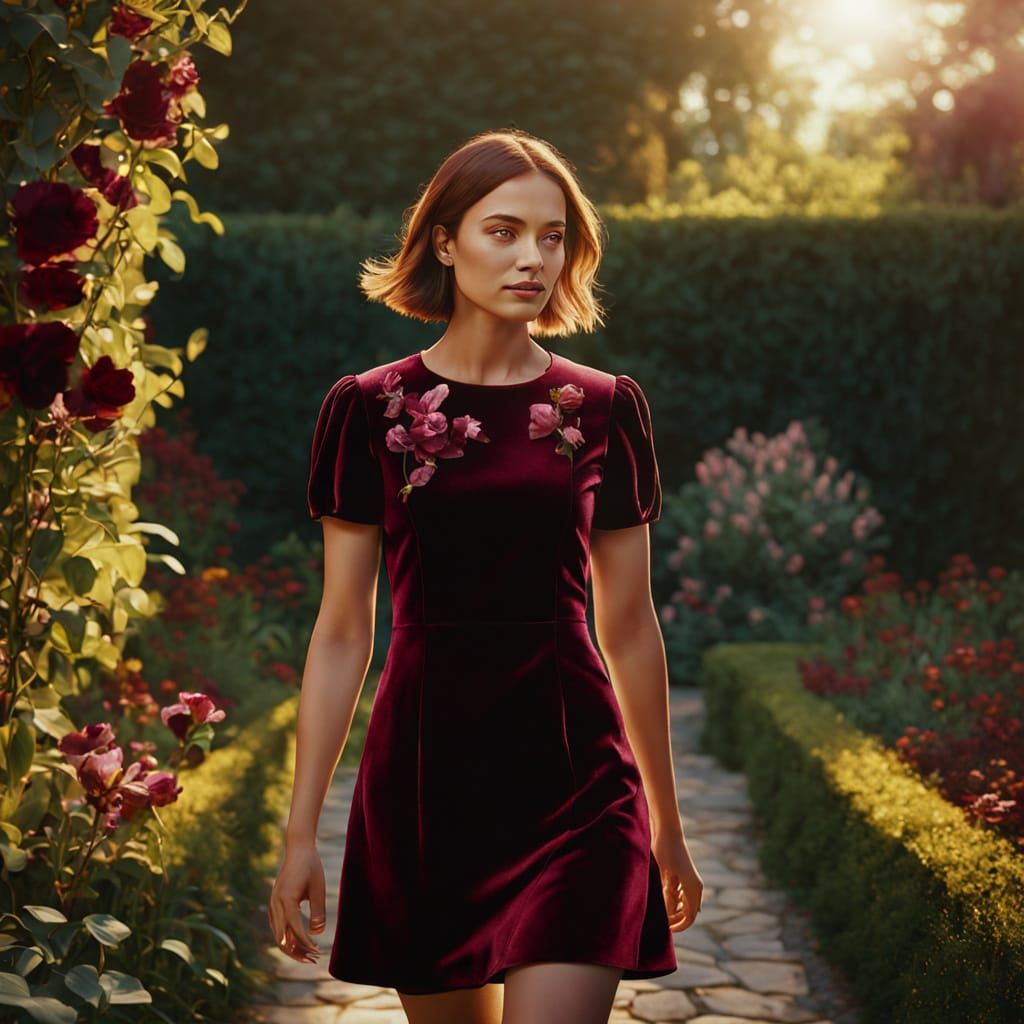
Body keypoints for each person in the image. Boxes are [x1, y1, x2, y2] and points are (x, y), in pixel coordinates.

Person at [269, 128, 704, 1024]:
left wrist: (667, 824)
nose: (532, 258)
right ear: (444, 240)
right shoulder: (367, 409)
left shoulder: (605, 407)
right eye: (503, 231)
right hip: (428, 790)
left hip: (580, 785)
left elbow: (629, 627)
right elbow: (345, 630)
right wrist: (299, 829)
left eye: (553, 237)